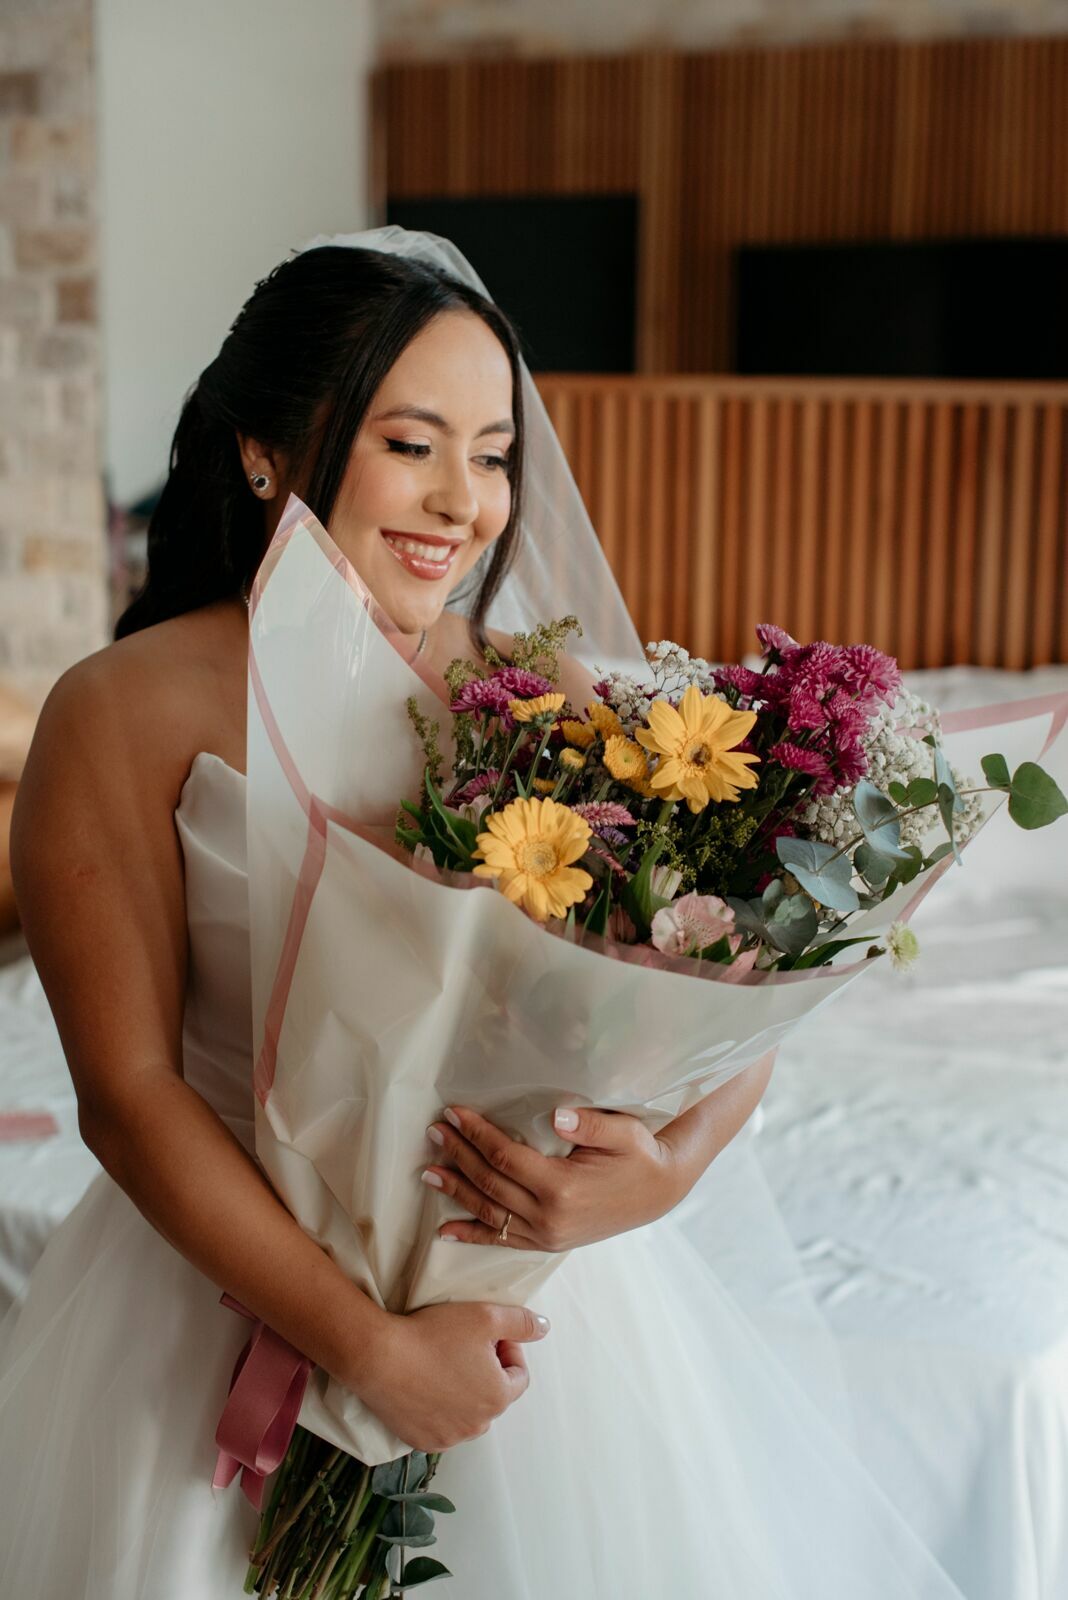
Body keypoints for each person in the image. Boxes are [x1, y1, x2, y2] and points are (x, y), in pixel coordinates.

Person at [0, 229, 967, 1598]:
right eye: (413, 444)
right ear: (268, 446)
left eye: (496, 453)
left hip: (526, 1319)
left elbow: (729, 975)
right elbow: (128, 1092)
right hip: (215, 1302)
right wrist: (369, 1347)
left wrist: (669, 1166)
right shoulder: (122, 709)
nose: (463, 500)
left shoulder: (549, 701)